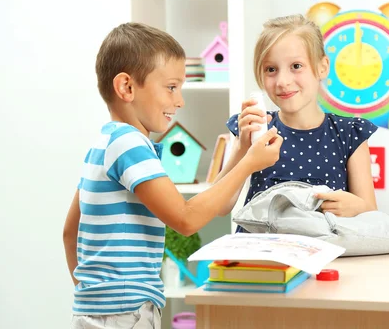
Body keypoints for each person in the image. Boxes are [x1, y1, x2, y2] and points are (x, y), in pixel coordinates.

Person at [62, 22, 282, 328]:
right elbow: (187, 219)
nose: (179, 101)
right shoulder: (130, 145)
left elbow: (70, 232)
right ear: (126, 87)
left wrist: (241, 153)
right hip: (126, 311)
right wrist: (249, 165)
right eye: (171, 87)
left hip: (95, 310)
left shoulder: (104, 144)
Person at [214, 14, 378, 228]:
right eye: (271, 69)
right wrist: (242, 149)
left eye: (296, 66)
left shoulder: (349, 134)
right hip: (260, 257)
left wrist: (356, 207)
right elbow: (219, 206)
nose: (283, 81)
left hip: (324, 255)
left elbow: (372, 216)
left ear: (322, 67)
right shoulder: (255, 130)